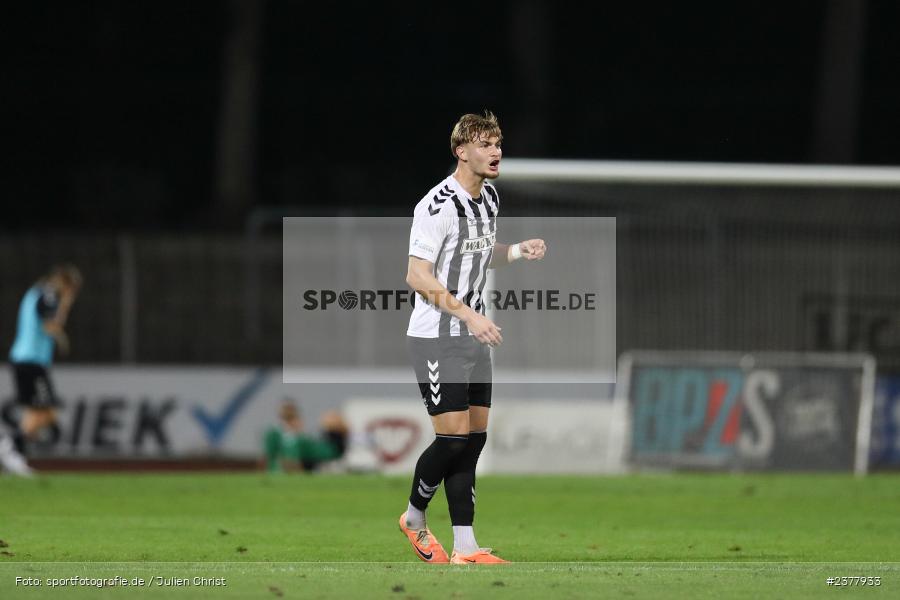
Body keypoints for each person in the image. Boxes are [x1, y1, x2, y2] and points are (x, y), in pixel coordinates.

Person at [399, 111, 547, 564]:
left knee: (475, 437)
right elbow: (416, 275)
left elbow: (480, 258)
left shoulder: (489, 198)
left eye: (498, 142)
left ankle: (465, 547)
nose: (496, 151)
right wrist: (468, 315)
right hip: (437, 336)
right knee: (452, 439)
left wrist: (519, 251)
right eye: (485, 144)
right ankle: (413, 517)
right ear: (461, 152)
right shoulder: (437, 206)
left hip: (474, 334)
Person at [7, 264, 82, 473]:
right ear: (65, 283)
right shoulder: (48, 296)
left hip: (24, 360)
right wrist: (65, 304)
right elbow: (51, 326)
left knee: (36, 411)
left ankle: (15, 456)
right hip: (31, 361)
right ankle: (9, 446)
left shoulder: (35, 293)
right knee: (46, 411)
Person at [263, 401, 348, 473]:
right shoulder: (274, 434)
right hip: (280, 473)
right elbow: (271, 456)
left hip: (295, 472)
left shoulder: (302, 439)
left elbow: (324, 452)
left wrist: (336, 433)